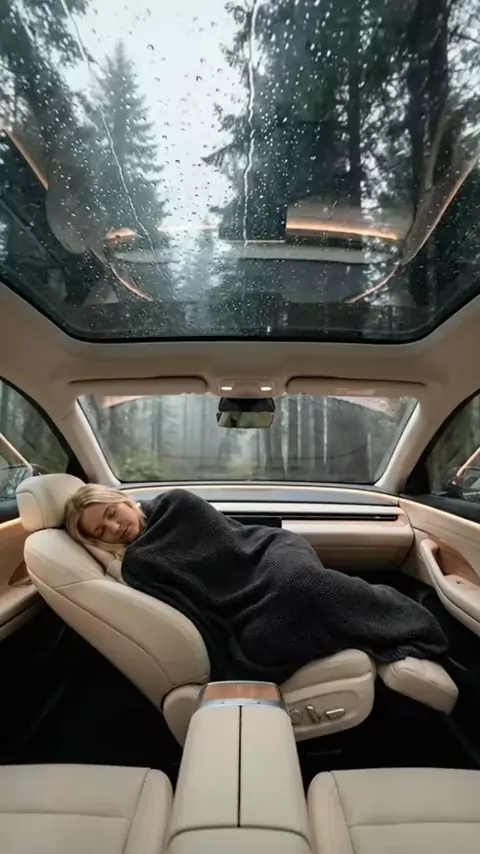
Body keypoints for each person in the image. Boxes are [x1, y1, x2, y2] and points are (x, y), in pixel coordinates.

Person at [64, 483, 448, 684]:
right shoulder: (138, 564)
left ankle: (409, 623)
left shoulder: (175, 503)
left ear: (122, 500)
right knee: (269, 632)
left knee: (303, 584)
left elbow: (232, 540)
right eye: (101, 531)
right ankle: (366, 627)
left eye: (111, 513)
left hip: (265, 552)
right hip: (239, 604)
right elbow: (192, 607)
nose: (114, 527)